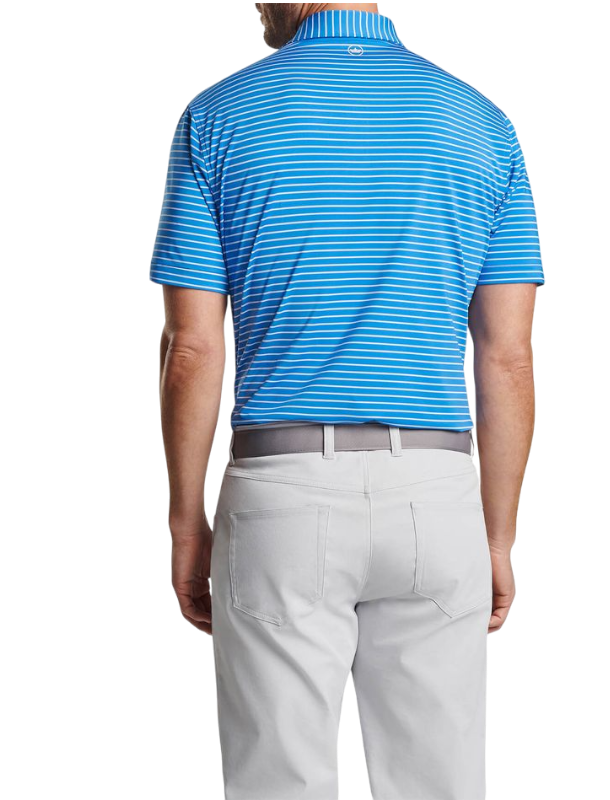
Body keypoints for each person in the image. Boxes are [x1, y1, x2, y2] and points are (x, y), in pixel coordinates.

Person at [151, 4, 543, 798]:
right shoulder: (483, 122)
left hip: (282, 493)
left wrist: (187, 523)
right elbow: (506, 355)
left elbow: (192, 347)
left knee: (276, 787)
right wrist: (497, 535)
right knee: (440, 787)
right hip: (437, 491)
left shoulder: (217, 114)